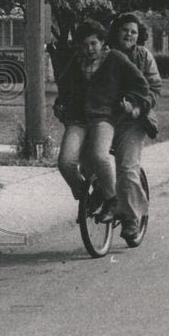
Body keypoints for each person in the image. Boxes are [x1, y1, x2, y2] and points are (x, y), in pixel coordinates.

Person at [53, 19, 153, 242]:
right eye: (85, 45)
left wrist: (133, 103)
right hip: (78, 120)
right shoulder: (75, 62)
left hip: (103, 119)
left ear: (102, 43)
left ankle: (112, 199)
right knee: (65, 162)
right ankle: (88, 198)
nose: (90, 49)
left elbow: (142, 86)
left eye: (94, 44)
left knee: (100, 156)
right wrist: (60, 104)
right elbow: (64, 88)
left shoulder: (115, 59)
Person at [107, 13, 161, 237]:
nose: (128, 34)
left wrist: (137, 108)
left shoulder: (143, 56)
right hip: (105, 118)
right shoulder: (105, 53)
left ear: (139, 36)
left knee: (128, 168)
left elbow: (154, 88)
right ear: (116, 31)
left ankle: (131, 218)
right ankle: (106, 201)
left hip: (134, 120)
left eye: (133, 31)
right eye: (125, 30)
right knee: (92, 161)